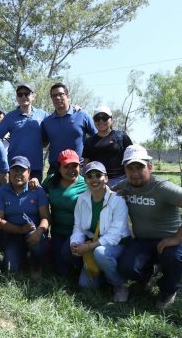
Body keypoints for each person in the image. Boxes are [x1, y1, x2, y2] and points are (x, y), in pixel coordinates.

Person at [116, 144, 182, 310]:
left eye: (140, 167)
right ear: (125, 170)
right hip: (142, 241)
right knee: (125, 267)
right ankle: (148, 275)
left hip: (169, 240)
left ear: (150, 167)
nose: (135, 173)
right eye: (130, 168)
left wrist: (176, 238)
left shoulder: (163, 188)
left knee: (173, 258)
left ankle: (168, 290)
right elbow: (101, 191)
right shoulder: (125, 186)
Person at [70, 161, 130, 302]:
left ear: (106, 178)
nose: (94, 179)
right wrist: (75, 243)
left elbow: (114, 235)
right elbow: (78, 226)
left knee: (100, 253)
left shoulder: (117, 201)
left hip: (117, 244)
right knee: (85, 286)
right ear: (85, 180)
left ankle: (119, 284)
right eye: (90, 176)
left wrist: (89, 246)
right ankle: (106, 275)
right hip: (94, 242)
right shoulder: (81, 199)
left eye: (98, 175)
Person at [0, 156, 49, 277]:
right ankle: (23, 255)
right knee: (11, 269)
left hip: (34, 232)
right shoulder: (1, 192)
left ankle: (36, 265)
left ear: (29, 172)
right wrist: (20, 230)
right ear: (9, 172)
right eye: (14, 170)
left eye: (22, 170)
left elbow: (45, 217)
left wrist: (39, 232)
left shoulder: (38, 190)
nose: (18, 173)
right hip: (13, 234)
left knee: (36, 243)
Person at [41, 149, 87, 276]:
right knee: (61, 271)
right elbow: (38, 192)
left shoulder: (86, 184)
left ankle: (83, 264)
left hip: (78, 233)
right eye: (67, 166)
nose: (71, 170)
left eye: (75, 166)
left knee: (67, 256)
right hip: (57, 232)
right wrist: (33, 181)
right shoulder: (51, 181)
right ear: (59, 168)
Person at [0, 83, 48, 182]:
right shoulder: (10, 117)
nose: (23, 97)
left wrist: (74, 109)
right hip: (15, 167)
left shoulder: (43, 115)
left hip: (35, 167)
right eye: (20, 94)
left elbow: (56, 123)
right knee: (15, 196)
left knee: (34, 196)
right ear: (17, 97)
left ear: (33, 96)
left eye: (26, 94)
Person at [41, 83, 97, 174]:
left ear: (67, 96)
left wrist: (90, 159)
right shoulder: (47, 122)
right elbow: (43, 143)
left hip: (78, 168)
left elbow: (97, 137)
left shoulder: (82, 115)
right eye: (54, 95)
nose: (57, 98)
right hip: (55, 169)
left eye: (60, 94)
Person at [82, 106, 132, 189]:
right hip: (97, 182)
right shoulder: (89, 141)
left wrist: (129, 180)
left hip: (120, 181)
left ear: (111, 120)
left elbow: (130, 159)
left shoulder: (121, 136)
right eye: (97, 118)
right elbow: (86, 163)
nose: (101, 121)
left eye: (104, 118)